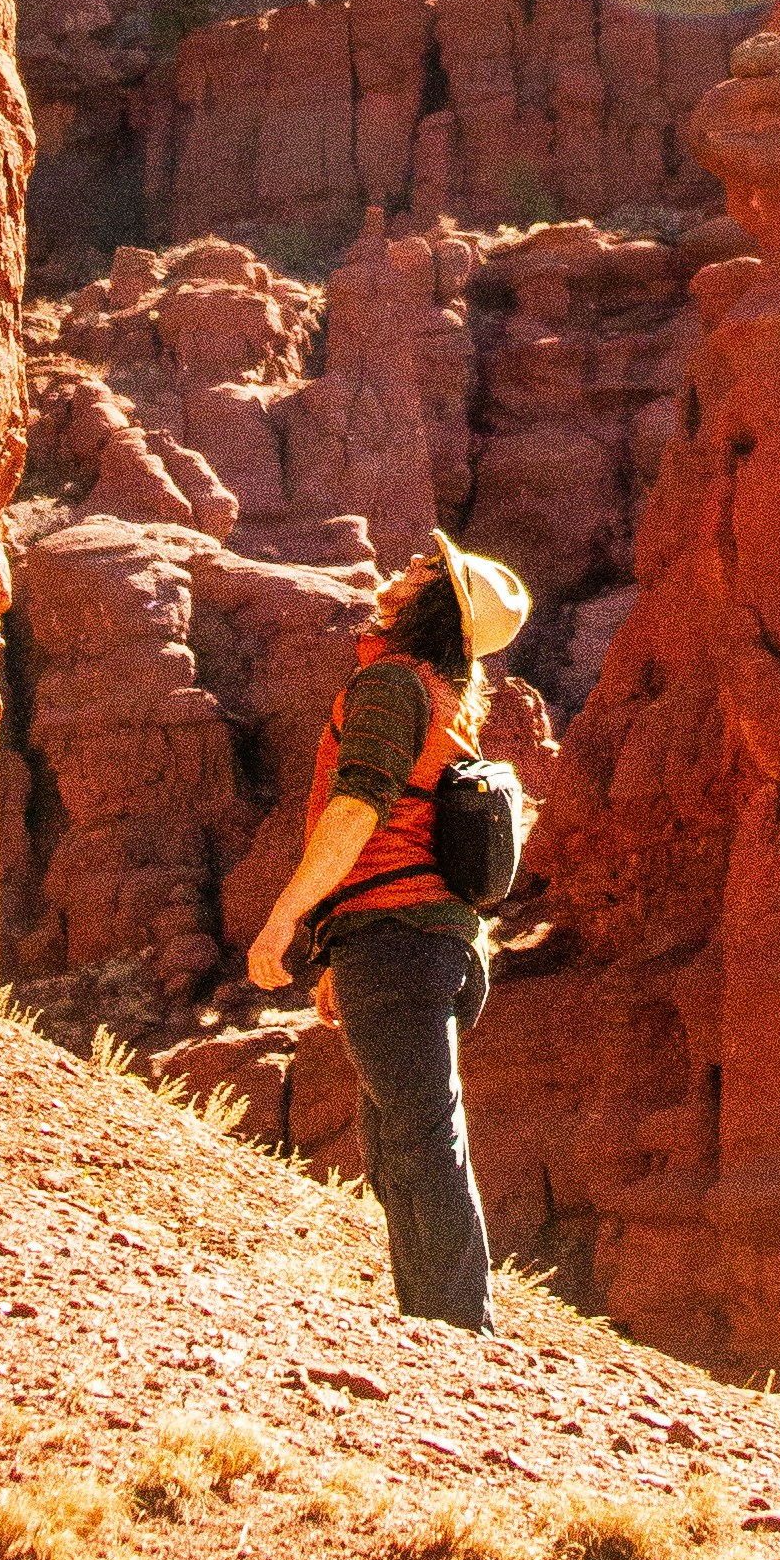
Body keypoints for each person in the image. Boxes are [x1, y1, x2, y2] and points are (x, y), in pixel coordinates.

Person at [244, 530, 532, 1333]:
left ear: (439, 601)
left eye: (425, 568)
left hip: (399, 942)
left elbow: (357, 810)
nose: (406, 569)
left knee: (421, 1144)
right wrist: (340, 952)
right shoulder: (437, 695)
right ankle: (433, 1328)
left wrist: (285, 920)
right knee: (399, 1147)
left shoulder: (392, 686)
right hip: (422, 945)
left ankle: (459, 1334)